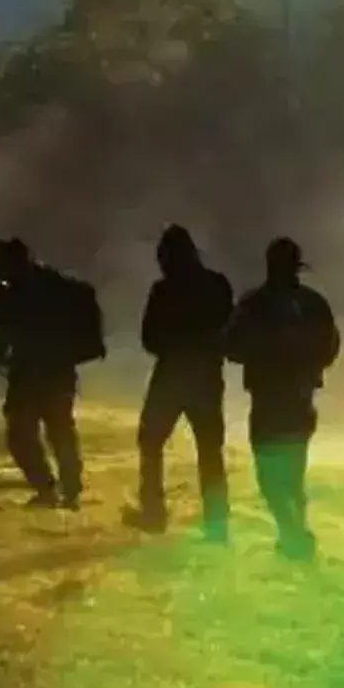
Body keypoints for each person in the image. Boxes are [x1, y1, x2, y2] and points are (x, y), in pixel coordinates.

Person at [223, 237, 339, 561]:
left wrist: (262, 354)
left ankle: (292, 534)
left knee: (269, 477)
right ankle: (295, 536)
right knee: (293, 474)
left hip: (269, 400)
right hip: (301, 400)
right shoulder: (314, 304)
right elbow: (330, 347)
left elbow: (230, 345)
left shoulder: (255, 303)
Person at [0, 236, 101, 510]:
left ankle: (55, 489)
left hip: (41, 372)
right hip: (46, 371)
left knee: (38, 432)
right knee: (52, 431)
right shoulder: (48, 287)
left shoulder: (34, 292)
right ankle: (61, 489)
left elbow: (7, 335)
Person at [130, 224, 235, 539]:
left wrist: (173, 344)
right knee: (209, 450)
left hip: (172, 375)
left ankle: (153, 513)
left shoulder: (163, 291)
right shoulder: (217, 285)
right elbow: (228, 331)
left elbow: (149, 338)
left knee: (150, 441)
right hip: (206, 377)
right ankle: (217, 524)